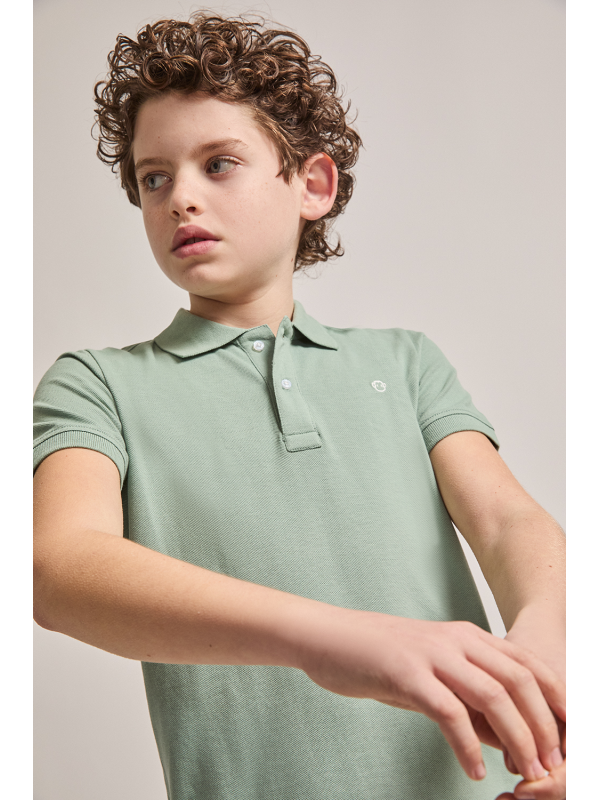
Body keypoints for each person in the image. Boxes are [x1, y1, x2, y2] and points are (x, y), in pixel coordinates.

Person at [33, 11, 566, 800]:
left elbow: (509, 522)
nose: (181, 198)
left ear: (312, 185)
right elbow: (59, 568)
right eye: (154, 178)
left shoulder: (404, 364)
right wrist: (330, 639)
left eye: (218, 164)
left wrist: (546, 654)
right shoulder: (97, 385)